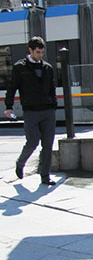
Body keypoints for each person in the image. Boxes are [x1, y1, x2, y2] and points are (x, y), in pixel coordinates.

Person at [4, 36, 57, 185]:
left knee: (48, 144)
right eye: (38, 52)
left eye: (42, 52)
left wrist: (53, 104)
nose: (40, 55)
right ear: (31, 50)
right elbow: (12, 87)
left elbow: (52, 88)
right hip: (31, 112)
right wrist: (9, 106)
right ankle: (20, 163)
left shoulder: (48, 68)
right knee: (32, 141)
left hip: (48, 111)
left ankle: (45, 176)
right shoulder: (20, 68)